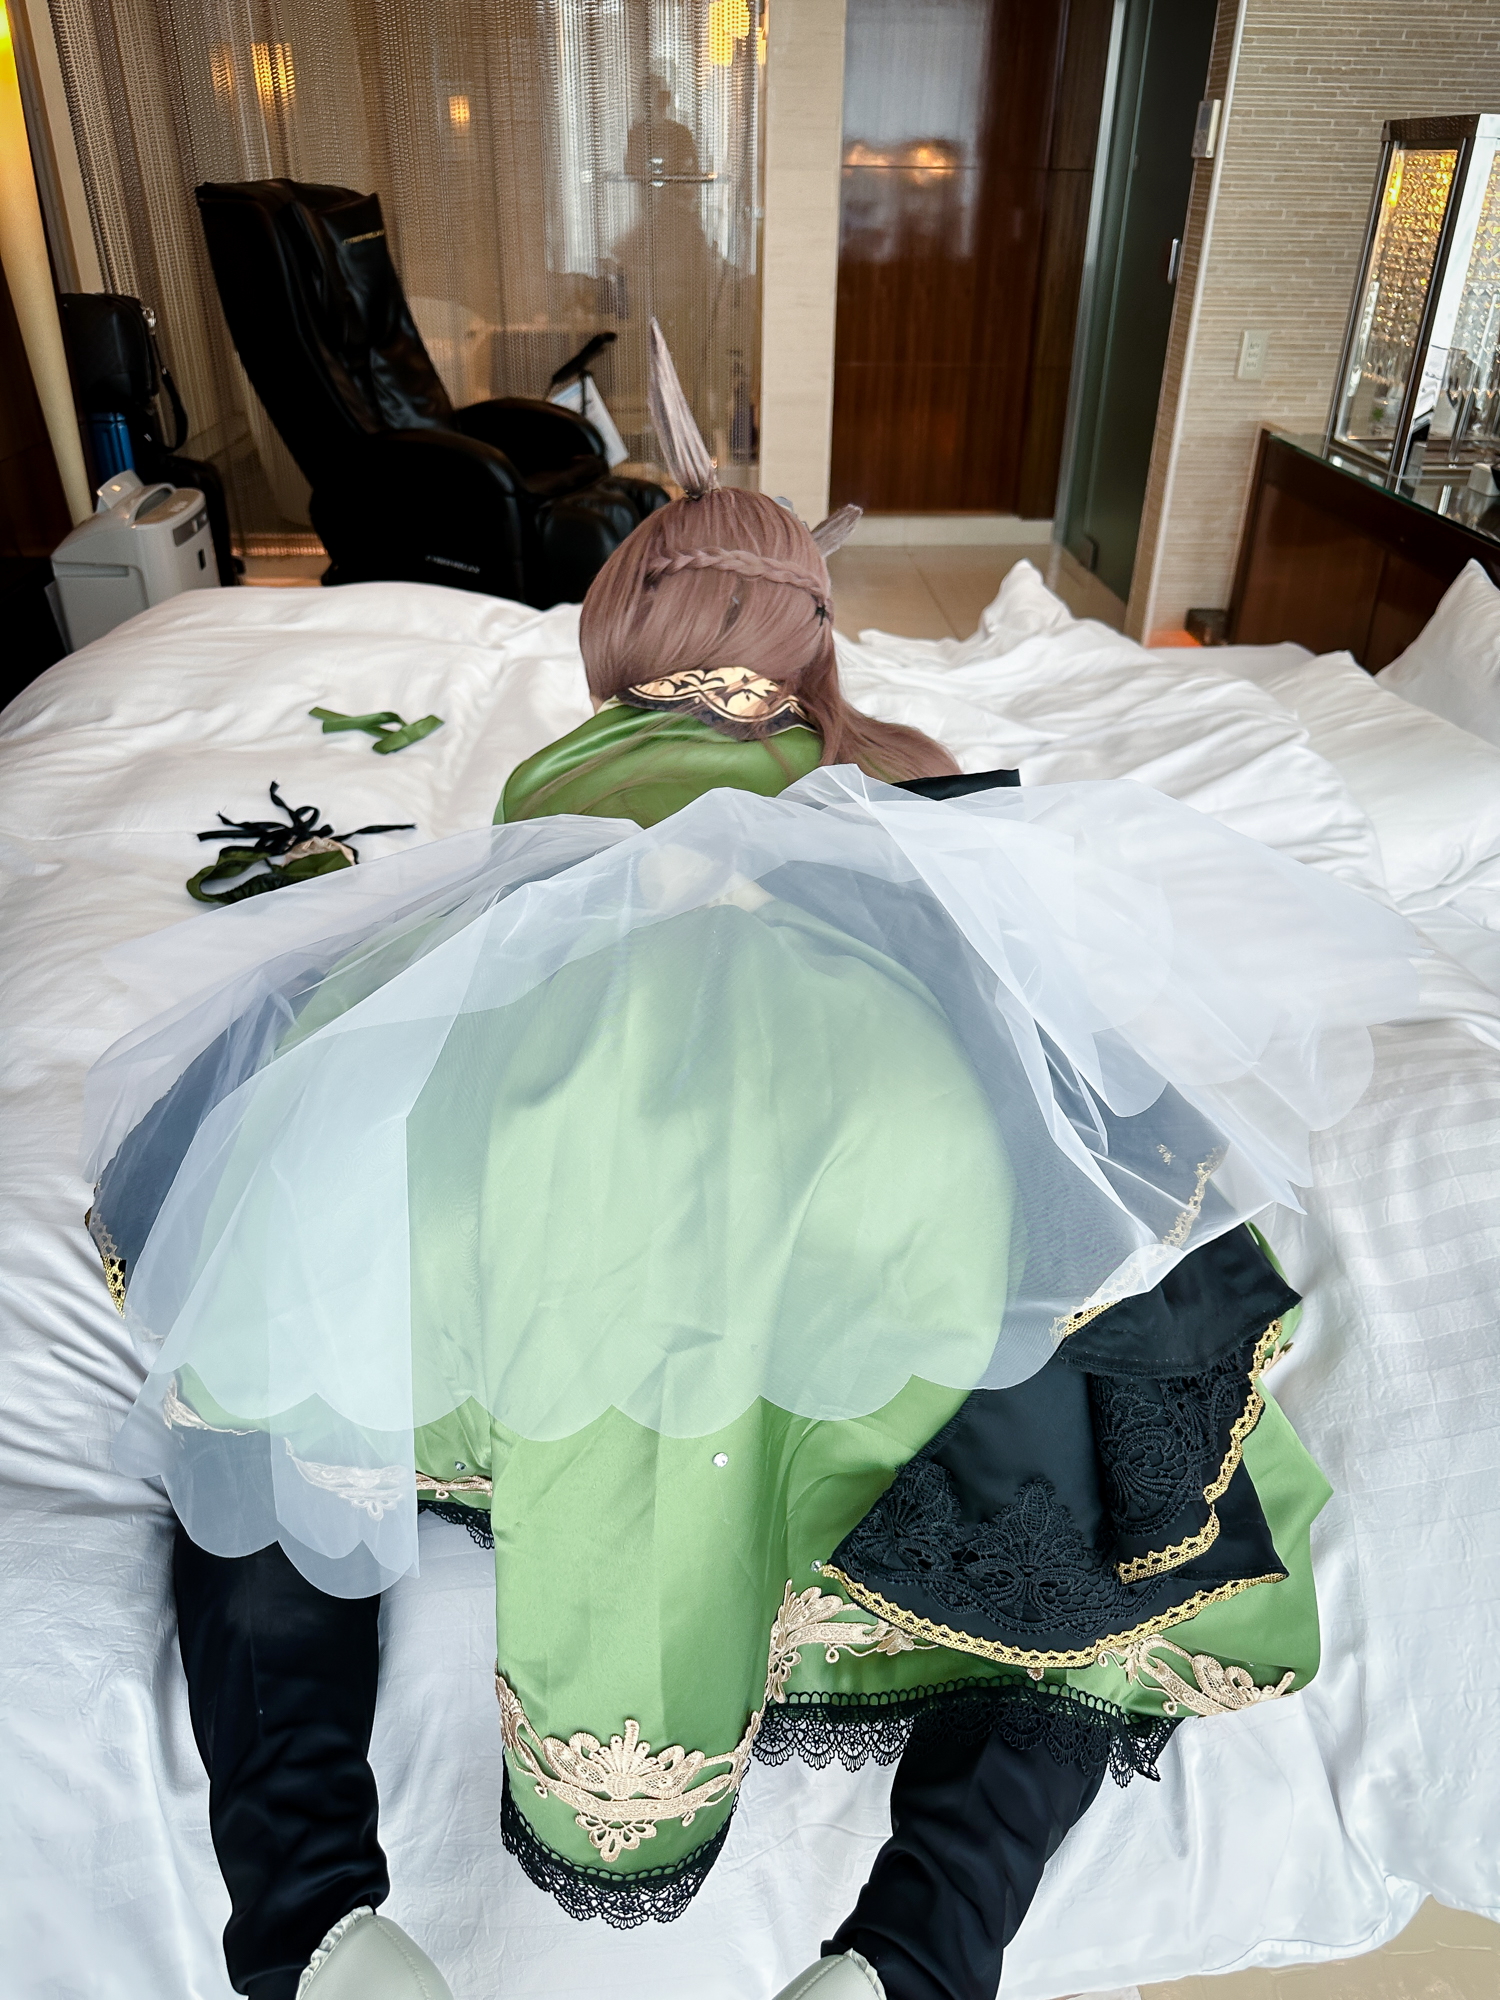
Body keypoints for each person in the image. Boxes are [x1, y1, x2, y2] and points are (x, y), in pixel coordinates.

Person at [84, 327, 1419, 2000]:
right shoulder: (896, 792)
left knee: (256, 1379)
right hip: (878, 1159)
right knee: (1127, 1504)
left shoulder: (545, 794)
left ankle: (314, 1919)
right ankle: (918, 1949)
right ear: (809, 657)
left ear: (615, 656)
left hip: (504, 1168)